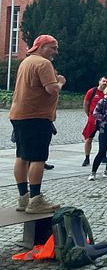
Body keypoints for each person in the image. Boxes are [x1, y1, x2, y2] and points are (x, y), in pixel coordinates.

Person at [10, 34, 65, 213]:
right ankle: (35, 200)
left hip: (19, 114)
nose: (56, 51)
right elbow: (51, 89)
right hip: (37, 116)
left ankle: (23, 197)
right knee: (38, 158)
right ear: (41, 46)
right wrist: (60, 83)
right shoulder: (43, 63)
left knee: (22, 156)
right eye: (53, 47)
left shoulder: (26, 61)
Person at [81, 76, 107, 167]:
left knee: (104, 139)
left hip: (103, 120)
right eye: (103, 81)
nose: (105, 83)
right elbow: (86, 104)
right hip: (92, 120)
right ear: (99, 82)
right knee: (89, 138)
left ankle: (103, 156)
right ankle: (87, 158)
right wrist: (89, 115)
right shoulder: (92, 91)